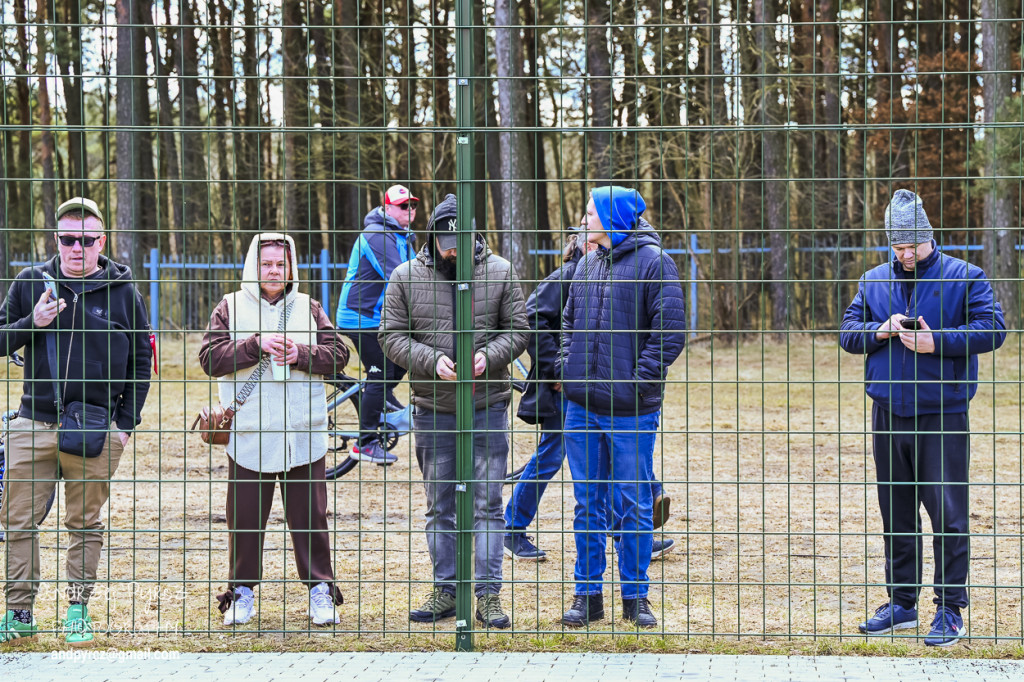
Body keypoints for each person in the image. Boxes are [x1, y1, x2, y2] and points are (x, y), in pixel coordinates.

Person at [840, 189, 1005, 647]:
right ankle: (902, 603)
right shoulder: (872, 280)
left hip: (943, 413)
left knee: (947, 513)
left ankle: (950, 608)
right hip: (888, 411)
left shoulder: (966, 276)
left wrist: (939, 342)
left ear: (929, 237)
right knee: (895, 512)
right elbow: (847, 333)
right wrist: (880, 330)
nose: (906, 254)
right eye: (898, 246)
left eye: (913, 245)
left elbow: (994, 328)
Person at [0, 197, 152, 645]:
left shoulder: (125, 292)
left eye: (87, 240)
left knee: (84, 524)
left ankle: (77, 610)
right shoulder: (30, 284)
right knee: (18, 522)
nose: (76, 248)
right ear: (57, 239)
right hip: (33, 423)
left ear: (101, 241)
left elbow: (142, 361)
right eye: (68, 239)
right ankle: (19, 611)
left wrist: (124, 425)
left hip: (96, 428)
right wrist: (34, 320)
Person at [380, 194, 529, 629]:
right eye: (445, 240)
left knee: (487, 503)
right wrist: (430, 360)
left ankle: (488, 596)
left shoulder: (500, 272)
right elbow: (391, 336)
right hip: (432, 407)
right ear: (432, 237)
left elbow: (518, 330)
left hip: (487, 405)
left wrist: (489, 356)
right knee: (439, 505)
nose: (452, 249)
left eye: (459, 240)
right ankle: (446, 589)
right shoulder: (405, 276)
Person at [199, 233, 348, 628]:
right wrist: (253, 345)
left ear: (291, 267)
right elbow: (209, 358)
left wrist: (302, 354)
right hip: (250, 432)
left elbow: (339, 354)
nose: (273, 271)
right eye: (266, 264)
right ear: (253, 265)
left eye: (281, 264)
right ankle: (241, 592)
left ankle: (320, 591)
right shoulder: (229, 307)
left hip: (303, 430)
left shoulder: (309, 307)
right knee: (244, 518)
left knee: (312, 517)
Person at [557, 186, 686, 629]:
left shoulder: (655, 263)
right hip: (581, 407)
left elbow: (668, 336)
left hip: (631, 409)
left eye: (589, 213)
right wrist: (566, 370)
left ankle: (636, 597)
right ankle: (586, 596)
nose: (583, 220)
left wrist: (634, 385)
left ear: (612, 219)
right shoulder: (586, 263)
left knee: (632, 503)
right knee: (587, 503)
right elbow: (568, 322)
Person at [505, 230, 674, 563]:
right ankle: (511, 529)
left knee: (605, 462)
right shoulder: (570, 273)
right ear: (583, 244)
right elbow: (531, 318)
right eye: (596, 242)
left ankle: (627, 533)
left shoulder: (613, 272)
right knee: (551, 456)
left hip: (595, 387)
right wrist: (558, 369)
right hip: (568, 387)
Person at [335, 185, 419, 465]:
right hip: (360, 316)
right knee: (381, 372)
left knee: (404, 358)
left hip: (381, 317)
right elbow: (401, 276)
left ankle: (378, 401)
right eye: (403, 206)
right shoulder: (377, 235)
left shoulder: (402, 235)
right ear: (388, 208)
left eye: (413, 205)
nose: (410, 210)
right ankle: (366, 442)